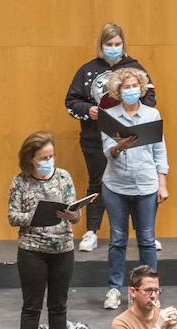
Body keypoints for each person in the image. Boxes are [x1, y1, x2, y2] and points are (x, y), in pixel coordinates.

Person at [64, 23, 157, 253]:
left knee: (139, 183)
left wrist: (132, 112)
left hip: (133, 140)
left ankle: (146, 233)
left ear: (123, 44)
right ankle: (91, 231)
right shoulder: (87, 70)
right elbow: (71, 102)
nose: (114, 48)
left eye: (117, 44)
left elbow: (151, 98)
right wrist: (89, 110)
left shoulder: (135, 67)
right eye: (109, 45)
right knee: (97, 183)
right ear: (101, 45)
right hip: (94, 138)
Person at [8, 131, 79, 329]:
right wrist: (35, 216)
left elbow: (75, 211)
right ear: (31, 159)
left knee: (58, 305)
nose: (48, 160)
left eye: (51, 156)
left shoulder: (63, 177)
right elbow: (12, 216)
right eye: (43, 157)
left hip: (63, 249)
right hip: (32, 251)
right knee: (32, 306)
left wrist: (72, 215)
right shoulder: (20, 182)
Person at [99, 67, 168, 311]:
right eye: (125, 87)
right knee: (117, 239)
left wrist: (163, 184)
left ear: (141, 88)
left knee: (147, 240)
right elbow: (108, 152)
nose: (130, 90)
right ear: (118, 90)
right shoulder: (110, 116)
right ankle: (114, 289)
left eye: (134, 86)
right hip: (116, 186)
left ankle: (150, 291)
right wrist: (120, 146)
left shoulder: (152, 114)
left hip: (146, 185)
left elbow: (160, 152)